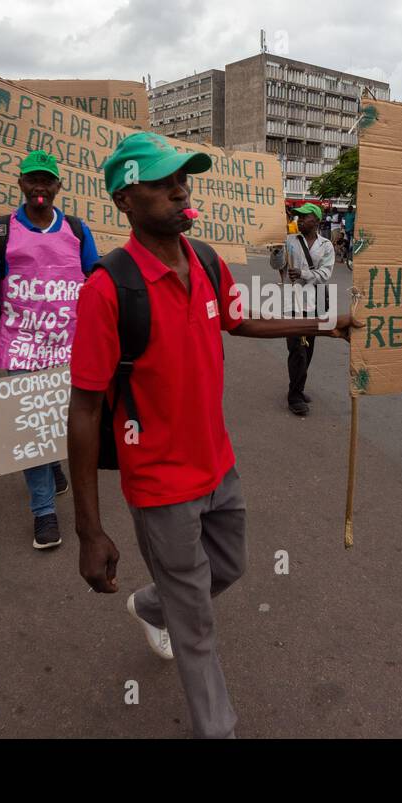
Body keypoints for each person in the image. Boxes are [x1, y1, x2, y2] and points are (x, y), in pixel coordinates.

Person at [67, 132, 359, 739]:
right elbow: (84, 411)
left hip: (218, 466)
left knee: (230, 567)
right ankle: (217, 728)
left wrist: (330, 322)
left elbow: (241, 318)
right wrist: (89, 530)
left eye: (183, 180)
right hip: (160, 484)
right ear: (125, 199)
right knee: (195, 626)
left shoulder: (203, 258)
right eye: (162, 182)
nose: (180, 191)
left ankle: (151, 605)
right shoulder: (107, 289)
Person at [0, 151, 100, 550]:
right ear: (21, 183)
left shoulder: (77, 230)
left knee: (64, 425)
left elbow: (95, 285)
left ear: (58, 186)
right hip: (21, 348)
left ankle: (54, 466)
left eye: (47, 180)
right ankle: (44, 511)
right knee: (31, 429)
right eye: (32, 180)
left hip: (69, 349)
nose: (39, 187)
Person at [267, 201, 335, 416]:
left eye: (305, 217)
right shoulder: (289, 241)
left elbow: (326, 274)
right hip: (292, 302)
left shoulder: (326, 246)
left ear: (316, 220)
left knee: (308, 348)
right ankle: (294, 396)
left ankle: (298, 386)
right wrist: (277, 252)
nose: (300, 220)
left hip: (315, 303)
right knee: (296, 348)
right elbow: (277, 266)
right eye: (299, 216)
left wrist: (304, 274)